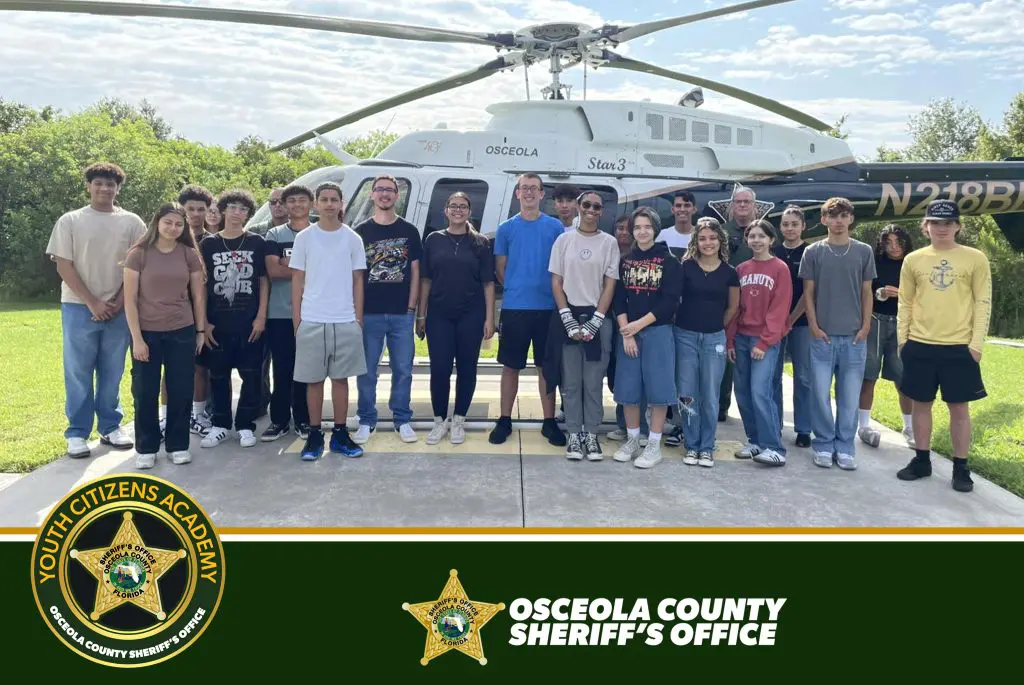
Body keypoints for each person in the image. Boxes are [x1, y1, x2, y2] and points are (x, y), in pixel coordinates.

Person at [45, 162, 145, 458]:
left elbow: (135, 264)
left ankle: (111, 426)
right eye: (98, 183)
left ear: (118, 188)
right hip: (78, 306)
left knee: (112, 369)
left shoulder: (132, 222)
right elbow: (64, 264)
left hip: (119, 307)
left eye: (110, 184)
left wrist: (115, 300)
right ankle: (77, 432)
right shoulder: (71, 220)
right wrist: (93, 301)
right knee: (78, 370)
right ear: (88, 186)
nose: (104, 188)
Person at [896, 200, 991, 493]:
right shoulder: (914, 259)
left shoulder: (975, 258)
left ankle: (961, 468)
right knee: (921, 405)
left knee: (958, 409)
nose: (941, 228)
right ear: (926, 227)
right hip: (920, 344)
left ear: (958, 226)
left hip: (959, 346)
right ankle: (922, 461)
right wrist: (903, 340)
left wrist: (976, 344)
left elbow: (982, 301)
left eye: (947, 223)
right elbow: (905, 301)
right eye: (935, 223)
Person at [123, 203, 206, 468]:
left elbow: (198, 296)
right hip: (147, 333)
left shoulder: (189, 254)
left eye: (178, 224)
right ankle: (146, 447)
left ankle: (178, 444)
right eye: (168, 222)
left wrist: (200, 330)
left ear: (184, 227)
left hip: (181, 330)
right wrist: (137, 338)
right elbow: (130, 300)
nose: (173, 228)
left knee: (181, 389)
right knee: (144, 391)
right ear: (157, 222)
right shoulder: (138, 254)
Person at [290, 182, 367, 461]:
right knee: (313, 381)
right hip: (312, 318)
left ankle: (340, 433)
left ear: (341, 203)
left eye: (334, 199)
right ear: (316, 204)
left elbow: (359, 279)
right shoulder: (305, 238)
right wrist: (297, 319)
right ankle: (313, 434)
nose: (330, 204)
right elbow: (297, 279)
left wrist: (357, 318)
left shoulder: (352, 238)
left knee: (341, 379)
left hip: (344, 319)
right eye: (324, 199)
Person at [490, 173, 566, 447]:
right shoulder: (506, 228)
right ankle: (504, 420)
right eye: (525, 188)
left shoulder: (556, 227)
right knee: (511, 367)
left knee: (546, 368)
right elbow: (501, 268)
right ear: (517, 194)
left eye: (535, 188)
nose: (530, 193)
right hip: (515, 308)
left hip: (548, 308)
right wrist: (518, 286)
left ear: (542, 194)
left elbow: (561, 267)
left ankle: (548, 422)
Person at [800, 197, 875, 470]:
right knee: (819, 394)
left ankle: (845, 447)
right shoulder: (814, 252)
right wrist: (814, 326)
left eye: (844, 216)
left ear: (851, 219)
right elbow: (808, 293)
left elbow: (867, 293)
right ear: (824, 220)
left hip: (855, 337)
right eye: (833, 216)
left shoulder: (864, 251)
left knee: (849, 396)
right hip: (823, 337)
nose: (839, 221)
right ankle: (822, 444)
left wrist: (866, 326)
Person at [545, 191, 620, 460]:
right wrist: (566, 316)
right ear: (578, 207)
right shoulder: (563, 240)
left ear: (601, 211)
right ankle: (574, 435)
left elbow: (610, 283)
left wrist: (597, 321)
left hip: (598, 320)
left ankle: (592, 435)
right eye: (586, 204)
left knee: (592, 383)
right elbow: (556, 281)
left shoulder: (609, 243)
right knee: (571, 383)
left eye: (596, 206)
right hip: (568, 317)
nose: (590, 209)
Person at [417, 192, 496, 445]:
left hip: (471, 315)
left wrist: (489, 318)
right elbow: (426, 279)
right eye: (453, 206)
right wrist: (421, 314)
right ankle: (439, 421)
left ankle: (459, 419)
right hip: (439, 314)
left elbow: (488, 284)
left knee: (467, 369)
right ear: (446, 210)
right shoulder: (433, 240)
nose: (458, 210)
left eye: (463, 206)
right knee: (439, 369)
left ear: (469, 212)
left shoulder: (481, 243)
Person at [353, 175, 423, 444]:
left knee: (403, 369)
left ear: (397, 196)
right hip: (369, 313)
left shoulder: (409, 230)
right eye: (380, 189)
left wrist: (411, 307)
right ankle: (366, 419)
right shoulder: (361, 231)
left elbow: (415, 271)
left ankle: (402, 419)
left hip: (400, 313)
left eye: (390, 190)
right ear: (372, 194)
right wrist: (357, 312)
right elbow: (356, 274)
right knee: (367, 370)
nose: (385, 194)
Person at [611, 207, 682, 468]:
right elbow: (619, 298)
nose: (642, 231)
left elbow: (669, 301)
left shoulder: (669, 261)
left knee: (659, 390)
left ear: (655, 229)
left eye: (647, 227)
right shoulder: (625, 260)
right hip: (629, 334)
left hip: (657, 332)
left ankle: (653, 444)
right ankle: (632, 439)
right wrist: (626, 331)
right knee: (628, 389)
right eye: (637, 227)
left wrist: (638, 326)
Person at [197, 189, 269, 449]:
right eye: (233, 208)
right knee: (218, 376)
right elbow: (203, 286)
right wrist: (203, 322)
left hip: (249, 324)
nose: (238, 213)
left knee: (252, 377)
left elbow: (263, 282)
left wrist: (261, 316)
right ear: (223, 210)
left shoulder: (257, 242)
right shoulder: (209, 244)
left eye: (243, 210)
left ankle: (246, 426)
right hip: (218, 324)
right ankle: (220, 425)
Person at [674, 218, 739, 468]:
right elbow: (677, 299)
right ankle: (691, 445)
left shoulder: (729, 273)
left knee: (710, 395)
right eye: (703, 238)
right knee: (688, 394)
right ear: (696, 242)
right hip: (685, 336)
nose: (708, 243)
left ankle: (706, 446)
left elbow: (733, 307)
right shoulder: (686, 267)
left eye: (712, 238)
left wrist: (715, 325)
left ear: (720, 241)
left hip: (714, 339)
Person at [727, 221, 792, 466]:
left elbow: (779, 308)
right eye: (752, 236)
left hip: (765, 340)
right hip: (742, 338)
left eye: (761, 236)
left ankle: (774, 446)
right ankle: (754, 441)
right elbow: (735, 308)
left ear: (771, 240)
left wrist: (765, 342)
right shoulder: (742, 268)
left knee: (760, 392)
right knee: (742, 392)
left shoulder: (780, 268)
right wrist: (731, 340)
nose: (756, 240)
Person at [261, 184, 314, 441]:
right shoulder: (274, 234)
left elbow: (326, 271)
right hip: (280, 313)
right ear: (284, 205)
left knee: (306, 369)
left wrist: (288, 264)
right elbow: (274, 271)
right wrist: (305, 269)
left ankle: (304, 420)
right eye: (290, 201)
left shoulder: (319, 233)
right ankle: (280, 420)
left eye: (301, 200)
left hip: (313, 313)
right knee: (282, 369)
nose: (296, 205)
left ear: (310, 204)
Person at [858, 225, 915, 449]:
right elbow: (865, 290)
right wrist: (878, 293)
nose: (894, 247)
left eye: (898, 242)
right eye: (888, 242)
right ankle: (863, 425)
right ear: (881, 243)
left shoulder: (913, 263)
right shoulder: (875, 261)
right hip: (875, 319)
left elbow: (922, 295)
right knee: (868, 374)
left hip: (902, 322)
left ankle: (909, 426)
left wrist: (899, 293)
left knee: (902, 376)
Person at [771, 205, 812, 448]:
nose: (789, 228)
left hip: (802, 322)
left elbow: (809, 294)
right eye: (785, 224)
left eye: (794, 224)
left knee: (804, 376)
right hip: (774, 324)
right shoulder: (773, 252)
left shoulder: (810, 252)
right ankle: (774, 424)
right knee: (773, 376)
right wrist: (778, 321)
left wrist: (791, 319)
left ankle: (804, 428)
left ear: (803, 226)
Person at [606, 214, 649, 443]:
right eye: (619, 227)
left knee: (637, 376)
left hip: (636, 324)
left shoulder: (639, 258)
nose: (623, 232)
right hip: (611, 320)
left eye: (627, 228)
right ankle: (623, 423)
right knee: (618, 375)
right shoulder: (608, 252)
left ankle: (640, 426)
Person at [178, 184, 217, 436]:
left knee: (202, 367)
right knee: (171, 368)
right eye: (189, 209)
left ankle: (198, 414)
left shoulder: (213, 241)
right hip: (175, 313)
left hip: (206, 314)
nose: (194, 214)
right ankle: (166, 416)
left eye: (200, 209)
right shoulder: (170, 238)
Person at [719, 186, 758, 422]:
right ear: (732, 205)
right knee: (725, 358)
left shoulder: (761, 231)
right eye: (738, 201)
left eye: (747, 202)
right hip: (727, 303)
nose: (742, 205)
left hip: (756, 303)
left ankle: (752, 407)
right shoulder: (722, 232)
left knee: (754, 358)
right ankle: (722, 405)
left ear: (754, 205)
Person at [658, 191, 697, 259]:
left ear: (694, 210)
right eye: (678, 206)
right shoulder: (661, 236)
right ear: (673, 210)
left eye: (687, 205)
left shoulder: (702, 236)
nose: (682, 209)